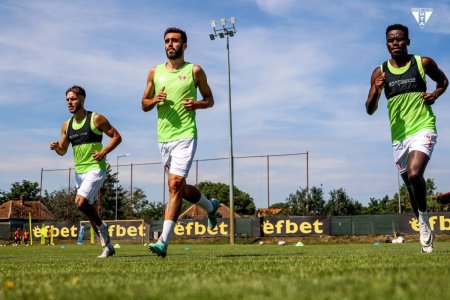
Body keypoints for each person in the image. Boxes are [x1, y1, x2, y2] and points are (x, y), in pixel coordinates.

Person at [365, 24, 448, 253]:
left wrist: (435, 94)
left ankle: (422, 225)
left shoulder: (423, 63)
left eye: (400, 39)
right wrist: (377, 89)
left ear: (408, 41)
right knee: (411, 187)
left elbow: (443, 82)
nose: (395, 43)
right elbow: (369, 109)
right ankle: (423, 221)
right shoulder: (379, 72)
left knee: (415, 173)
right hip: (399, 137)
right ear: (386, 44)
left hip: (423, 127)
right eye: (391, 40)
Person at [141, 27, 220, 257]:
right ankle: (211, 206)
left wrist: (196, 104)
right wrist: (155, 99)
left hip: (186, 134)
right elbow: (144, 104)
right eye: (167, 41)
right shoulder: (154, 72)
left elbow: (210, 100)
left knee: (174, 185)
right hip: (163, 139)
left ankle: (163, 242)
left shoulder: (194, 71)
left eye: (175, 41)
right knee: (181, 188)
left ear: (184, 45)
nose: (170, 44)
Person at [50, 85, 122, 258]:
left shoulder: (96, 119)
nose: (69, 103)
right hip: (79, 172)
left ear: (82, 99)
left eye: (73, 99)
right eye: (67, 100)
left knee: (80, 202)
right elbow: (63, 150)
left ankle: (103, 231)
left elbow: (117, 137)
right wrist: (56, 148)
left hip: (95, 169)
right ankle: (108, 246)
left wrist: (103, 152)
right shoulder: (66, 125)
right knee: (87, 209)